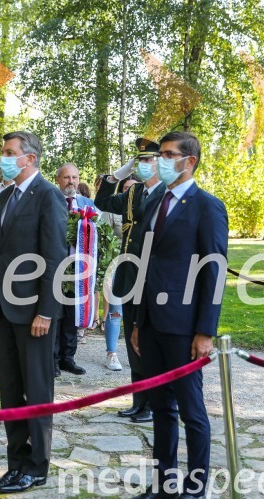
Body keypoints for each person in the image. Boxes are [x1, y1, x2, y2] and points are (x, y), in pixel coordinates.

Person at [123, 131, 228, 499]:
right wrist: (136, 321)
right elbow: (144, 264)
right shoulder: (154, 202)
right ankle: (163, 483)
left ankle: (194, 492)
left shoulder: (207, 207)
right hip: (150, 323)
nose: (161, 161)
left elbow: (214, 273)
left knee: (191, 412)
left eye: (169, 155)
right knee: (161, 408)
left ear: (190, 161)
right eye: (160, 154)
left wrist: (205, 331)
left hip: (186, 328)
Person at [0, 131, 67, 493]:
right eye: (2, 152)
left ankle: (37, 467)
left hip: (35, 313)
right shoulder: (5, 196)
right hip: (6, 310)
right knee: (10, 391)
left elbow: (54, 258)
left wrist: (46, 312)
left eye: (8, 153)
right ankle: (15, 463)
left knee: (36, 392)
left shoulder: (48, 195)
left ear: (29, 158)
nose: (3, 158)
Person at [94, 138, 164, 423]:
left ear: (161, 163)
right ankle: (139, 401)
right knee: (132, 339)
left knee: (147, 341)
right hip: (129, 273)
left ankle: (153, 403)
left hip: (151, 275)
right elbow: (102, 202)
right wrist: (114, 178)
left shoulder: (167, 194)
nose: (144, 165)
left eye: (149, 160)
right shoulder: (134, 191)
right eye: (141, 161)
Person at [53, 162, 95, 377]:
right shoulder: (51, 201)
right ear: (58, 180)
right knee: (56, 314)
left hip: (79, 269)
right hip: (56, 268)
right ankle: (53, 359)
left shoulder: (89, 204)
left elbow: (98, 234)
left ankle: (68, 358)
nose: (71, 181)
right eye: (66, 177)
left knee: (72, 315)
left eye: (75, 177)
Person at [94, 176, 124, 372]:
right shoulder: (113, 210)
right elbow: (103, 238)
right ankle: (111, 353)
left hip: (144, 263)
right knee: (116, 308)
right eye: (127, 190)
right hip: (117, 263)